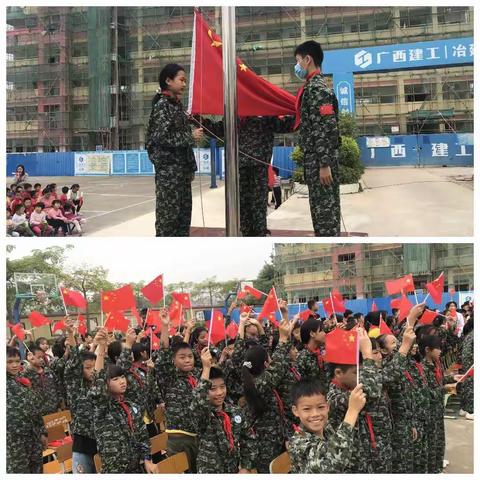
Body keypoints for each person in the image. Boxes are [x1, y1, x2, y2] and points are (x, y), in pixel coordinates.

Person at [201, 115, 294, 236]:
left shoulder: (264, 114)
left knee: (258, 205)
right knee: (242, 205)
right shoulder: (234, 113)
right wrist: (199, 120)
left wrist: (300, 112)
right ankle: (246, 233)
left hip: (258, 166)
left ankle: (259, 233)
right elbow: (218, 129)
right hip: (239, 167)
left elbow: (285, 125)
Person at [146, 63, 203, 237]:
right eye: (182, 80)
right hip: (169, 174)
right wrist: (190, 136)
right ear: (169, 81)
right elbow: (160, 139)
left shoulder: (177, 106)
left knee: (183, 221)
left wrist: (190, 167)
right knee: (168, 222)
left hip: (181, 172)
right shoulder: (163, 106)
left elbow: (181, 142)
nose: (184, 84)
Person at [89, 328, 155, 473]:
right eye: (115, 379)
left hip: (136, 468)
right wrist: (101, 348)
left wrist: (147, 460)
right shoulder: (103, 407)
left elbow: (142, 437)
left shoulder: (131, 406)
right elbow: (98, 381)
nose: (122, 381)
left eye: (122, 377)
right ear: (106, 384)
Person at [293, 40, 341, 236]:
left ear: (307, 59)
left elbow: (324, 128)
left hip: (320, 165)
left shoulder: (317, 89)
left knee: (325, 218)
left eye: (297, 61)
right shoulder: (312, 87)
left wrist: (324, 164)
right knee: (321, 216)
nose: (296, 66)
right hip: (315, 162)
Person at [240, 316, 294, 473]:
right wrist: (283, 339)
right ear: (265, 364)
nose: (271, 359)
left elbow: (275, 361)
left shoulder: (257, 380)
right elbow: (277, 367)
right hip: (265, 447)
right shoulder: (259, 384)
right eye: (269, 358)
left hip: (276, 439)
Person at [190, 348, 257, 473]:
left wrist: (246, 466)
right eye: (213, 389)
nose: (219, 393)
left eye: (222, 387)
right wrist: (206, 369)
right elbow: (198, 401)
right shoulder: (203, 415)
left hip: (233, 470)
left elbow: (248, 438)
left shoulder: (234, 411)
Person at [326, 328, 382, 473]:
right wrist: (368, 355)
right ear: (338, 373)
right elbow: (373, 390)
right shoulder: (335, 397)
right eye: (356, 372)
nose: (360, 377)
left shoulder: (347, 388)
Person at [154, 310, 201, 472]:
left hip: (197, 435)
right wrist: (165, 326)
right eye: (182, 357)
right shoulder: (170, 377)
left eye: (190, 356)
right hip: (179, 438)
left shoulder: (195, 375)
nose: (187, 360)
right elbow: (163, 357)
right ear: (173, 360)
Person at [288, 379, 366, 473]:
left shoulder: (326, 427)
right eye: (307, 409)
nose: (315, 414)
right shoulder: (297, 442)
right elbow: (331, 465)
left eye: (321, 407)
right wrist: (352, 411)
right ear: (295, 411)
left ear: (327, 407)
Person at [64, 318, 98, 473]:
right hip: (83, 444)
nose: (92, 370)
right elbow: (73, 366)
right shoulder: (75, 387)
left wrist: (101, 345)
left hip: (102, 441)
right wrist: (71, 335)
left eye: (94, 367)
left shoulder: (101, 386)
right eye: (87, 367)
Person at [6, 346, 47, 473]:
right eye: (9, 362)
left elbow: (34, 409)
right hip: (13, 442)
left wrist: (42, 432)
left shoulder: (21, 381)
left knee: (37, 470)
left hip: (33, 437)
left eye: (17, 361)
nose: (14, 365)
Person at [420, 334, 457, 473]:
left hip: (437, 409)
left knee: (439, 441)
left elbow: (439, 381)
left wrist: (452, 377)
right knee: (431, 442)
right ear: (427, 350)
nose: (441, 351)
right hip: (430, 411)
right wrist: (444, 389)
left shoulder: (436, 363)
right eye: (438, 348)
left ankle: (437, 466)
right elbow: (428, 393)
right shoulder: (423, 368)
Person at [23, 344, 61, 417]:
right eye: (39, 357)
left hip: (54, 409)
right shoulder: (26, 374)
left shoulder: (48, 371)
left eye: (42, 357)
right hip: (37, 413)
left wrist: (60, 404)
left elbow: (58, 386)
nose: (41, 359)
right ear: (30, 358)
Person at [296, 316, 326, 388]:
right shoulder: (302, 357)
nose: (325, 333)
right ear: (312, 334)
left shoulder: (323, 351)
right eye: (321, 330)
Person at [458, 316, 473, 419]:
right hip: (472, 365)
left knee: (467, 386)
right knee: (472, 387)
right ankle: (471, 411)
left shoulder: (470, 335)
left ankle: (464, 408)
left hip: (467, 364)